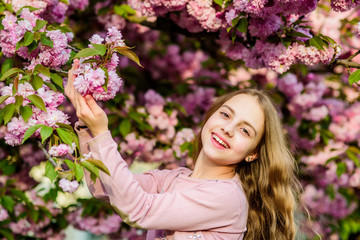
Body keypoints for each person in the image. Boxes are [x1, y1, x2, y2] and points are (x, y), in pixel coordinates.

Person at [65, 59, 301, 240]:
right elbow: (104, 189)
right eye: (226, 114)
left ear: (253, 153)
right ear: (210, 117)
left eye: (245, 131)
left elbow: (137, 210)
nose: (228, 128)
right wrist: (87, 126)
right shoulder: (173, 178)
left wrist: (102, 133)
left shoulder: (227, 197)